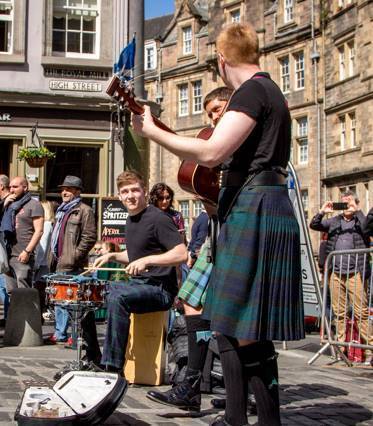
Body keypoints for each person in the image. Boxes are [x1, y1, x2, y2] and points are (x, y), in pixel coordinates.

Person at [133, 23, 304, 426]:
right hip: (261, 204)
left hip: (255, 207)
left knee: (241, 326)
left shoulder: (252, 91)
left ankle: (257, 421)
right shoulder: (271, 91)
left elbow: (211, 151)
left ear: (223, 62)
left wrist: (153, 131)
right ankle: (248, 420)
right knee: (240, 326)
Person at [147, 87, 235, 412]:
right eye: (210, 111)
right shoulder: (215, 146)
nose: (214, 115)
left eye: (219, 108)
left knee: (233, 320)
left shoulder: (243, 142)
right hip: (216, 234)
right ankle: (193, 385)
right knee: (191, 304)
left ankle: (242, 389)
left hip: (238, 235)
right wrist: (211, 204)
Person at [92, 170, 187, 373]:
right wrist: (112, 256)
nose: (130, 195)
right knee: (91, 292)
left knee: (118, 297)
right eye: (125, 191)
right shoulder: (131, 219)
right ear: (120, 196)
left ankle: (112, 367)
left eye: (135, 190)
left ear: (144, 191)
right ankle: (93, 355)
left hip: (161, 290)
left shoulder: (158, 218)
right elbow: (136, 255)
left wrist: (149, 260)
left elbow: (181, 254)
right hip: (139, 285)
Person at [310, 191, 372, 365]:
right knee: (339, 313)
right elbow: (314, 225)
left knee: (361, 313)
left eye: (348, 202)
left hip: (356, 273)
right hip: (336, 273)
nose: (345, 206)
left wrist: (357, 210)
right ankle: (340, 349)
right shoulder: (335, 221)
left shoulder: (361, 221)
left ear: (356, 203)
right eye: (343, 203)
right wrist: (322, 211)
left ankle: (370, 351)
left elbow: (368, 226)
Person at [48, 176, 97, 363]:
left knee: (74, 302)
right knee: (60, 299)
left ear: (77, 191)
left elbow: (89, 236)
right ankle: (61, 333)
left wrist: (75, 255)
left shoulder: (84, 210)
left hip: (72, 262)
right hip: (58, 261)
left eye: (69, 189)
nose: (64, 192)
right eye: (63, 189)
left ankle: (74, 335)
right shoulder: (61, 210)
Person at [0, 177, 44, 290]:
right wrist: (4, 205)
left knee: (23, 291)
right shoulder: (9, 204)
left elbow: (39, 231)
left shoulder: (34, 204)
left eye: (15, 187)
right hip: (7, 253)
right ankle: (10, 309)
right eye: (10, 187)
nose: (11, 190)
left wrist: (27, 251)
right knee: (10, 291)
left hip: (22, 254)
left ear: (25, 187)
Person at [0, 174, 11, 326]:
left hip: (6, 249)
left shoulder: (10, 202)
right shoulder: (4, 203)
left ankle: (9, 318)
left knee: (6, 285)